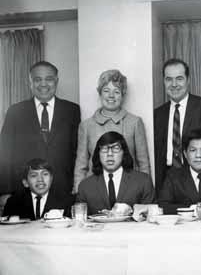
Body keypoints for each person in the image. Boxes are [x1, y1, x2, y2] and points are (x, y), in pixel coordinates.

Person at [0, 61, 81, 199]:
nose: (43, 84)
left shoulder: (72, 110)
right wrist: (5, 191)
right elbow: (4, 155)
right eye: (37, 80)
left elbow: (77, 152)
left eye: (49, 79)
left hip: (63, 190)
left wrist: (76, 186)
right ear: (30, 83)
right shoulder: (15, 111)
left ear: (56, 81)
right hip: (22, 193)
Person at [154, 58, 201, 194]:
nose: (174, 84)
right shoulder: (157, 114)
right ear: (164, 81)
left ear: (188, 80)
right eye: (169, 79)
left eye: (179, 78)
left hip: (198, 178)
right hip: (166, 180)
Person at [73, 69, 150, 193]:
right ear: (100, 93)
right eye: (106, 91)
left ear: (123, 95)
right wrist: (78, 193)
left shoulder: (135, 122)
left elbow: (143, 164)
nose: (111, 96)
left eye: (117, 92)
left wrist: (146, 191)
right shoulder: (86, 126)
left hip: (129, 190)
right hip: (95, 190)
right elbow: (81, 166)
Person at [77, 131, 155, 215]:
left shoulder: (143, 181)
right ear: (98, 154)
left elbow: (154, 216)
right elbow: (80, 221)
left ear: (124, 153)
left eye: (116, 148)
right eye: (104, 149)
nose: (110, 154)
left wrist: (133, 211)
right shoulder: (85, 186)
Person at [3, 158, 72, 220]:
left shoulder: (65, 200)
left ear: (51, 179)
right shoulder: (14, 202)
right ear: (25, 183)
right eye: (34, 175)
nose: (40, 179)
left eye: (45, 174)